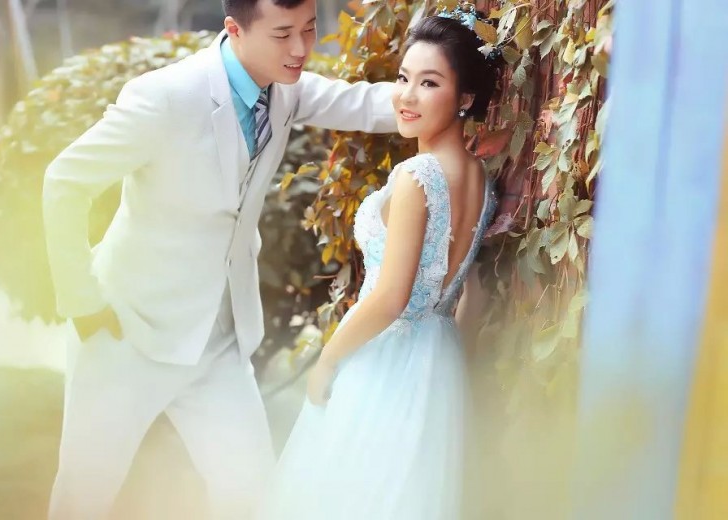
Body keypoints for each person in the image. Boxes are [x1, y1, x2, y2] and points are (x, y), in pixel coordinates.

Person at [41, 0, 396, 517]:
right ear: (235, 29)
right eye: (282, 34)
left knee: (251, 492)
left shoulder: (285, 87)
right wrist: (82, 301)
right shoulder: (165, 97)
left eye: (309, 29)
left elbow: (363, 103)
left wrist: (446, 94)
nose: (301, 48)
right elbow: (64, 182)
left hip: (218, 343)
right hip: (126, 333)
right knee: (84, 496)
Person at [258, 10, 501, 520]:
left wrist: (328, 359)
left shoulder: (418, 176)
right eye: (403, 78)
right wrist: (450, 373)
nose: (407, 96)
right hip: (439, 362)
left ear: (465, 98)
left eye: (429, 83)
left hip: (385, 359)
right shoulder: (482, 178)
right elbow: (472, 294)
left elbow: (391, 298)